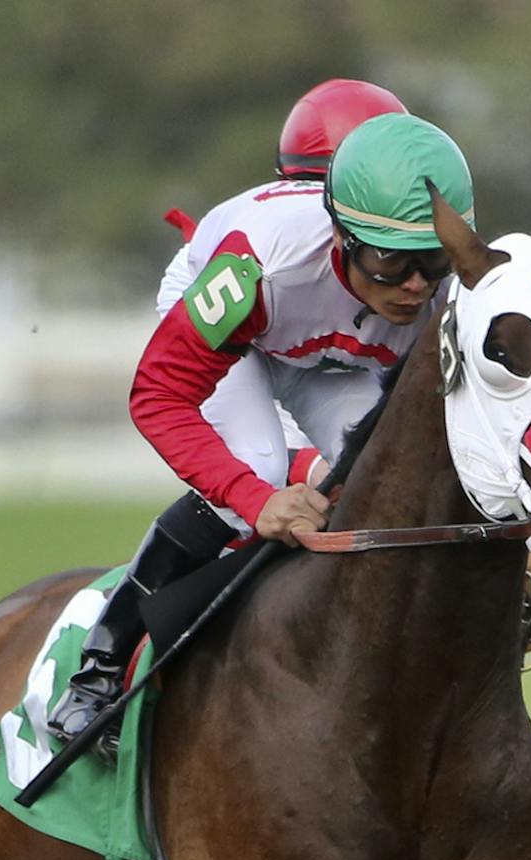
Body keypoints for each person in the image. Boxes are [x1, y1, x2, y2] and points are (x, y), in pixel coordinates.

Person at [49, 109, 474, 751]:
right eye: (391, 260)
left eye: (434, 259)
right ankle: (100, 666)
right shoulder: (262, 264)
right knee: (260, 464)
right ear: (342, 235)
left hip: (325, 349)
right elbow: (158, 396)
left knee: (389, 476)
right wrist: (254, 498)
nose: (416, 287)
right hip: (246, 325)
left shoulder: (455, 292)